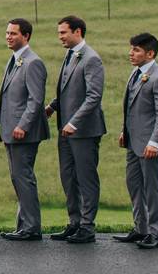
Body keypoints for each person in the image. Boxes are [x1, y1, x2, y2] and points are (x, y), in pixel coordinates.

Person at [0, 18, 49, 241]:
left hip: (24, 132)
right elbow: (9, 97)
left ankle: (32, 228)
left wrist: (23, 125)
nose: (8, 37)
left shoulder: (33, 63)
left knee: (23, 177)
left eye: (13, 33)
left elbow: (35, 100)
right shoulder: (14, 60)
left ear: (26, 36)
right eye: (7, 33)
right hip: (10, 130)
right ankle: (23, 226)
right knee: (17, 178)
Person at [44, 15, 106, 244]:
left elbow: (93, 97)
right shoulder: (71, 56)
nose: (60, 36)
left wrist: (74, 122)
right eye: (59, 32)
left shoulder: (91, 59)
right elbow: (67, 89)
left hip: (84, 131)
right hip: (66, 130)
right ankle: (75, 223)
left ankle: (87, 227)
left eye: (63, 32)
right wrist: (52, 107)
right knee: (68, 177)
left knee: (86, 178)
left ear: (78, 32)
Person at [115, 32, 158, 250]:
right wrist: (125, 131)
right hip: (133, 142)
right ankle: (141, 228)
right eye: (131, 49)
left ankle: (155, 234)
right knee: (134, 186)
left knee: (153, 189)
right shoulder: (135, 73)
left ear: (150, 53)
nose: (131, 53)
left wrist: (155, 143)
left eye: (136, 50)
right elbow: (131, 108)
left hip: (151, 145)